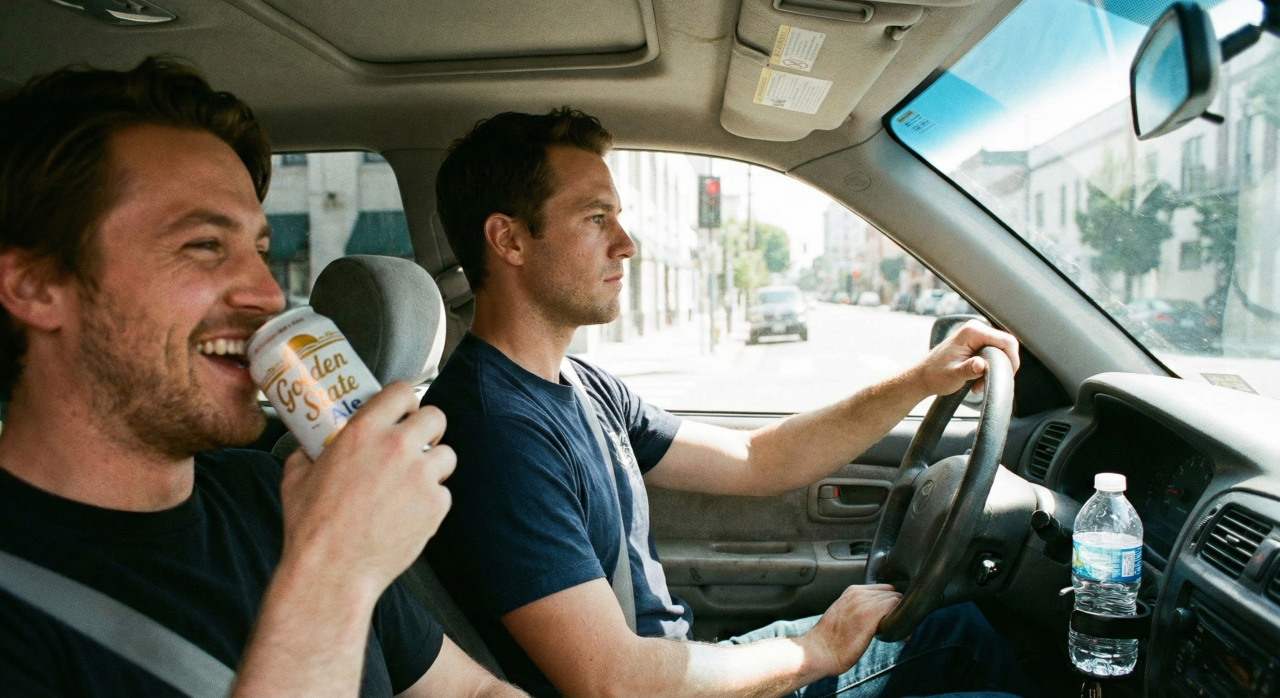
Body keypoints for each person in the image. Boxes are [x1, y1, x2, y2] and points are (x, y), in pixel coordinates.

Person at [424, 108, 1041, 698]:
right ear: (509, 239)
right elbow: (614, 682)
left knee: (953, 627)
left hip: (676, 665)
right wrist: (815, 651)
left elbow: (754, 458)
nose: (626, 243)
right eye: (596, 218)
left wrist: (919, 381)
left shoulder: (581, 386)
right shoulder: (495, 432)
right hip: (653, 685)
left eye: (618, 216)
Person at [0, 58, 527, 698]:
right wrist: (333, 573)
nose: (269, 295)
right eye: (203, 245)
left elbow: (476, 693)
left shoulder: (271, 496)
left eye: (259, 249)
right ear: (33, 286)